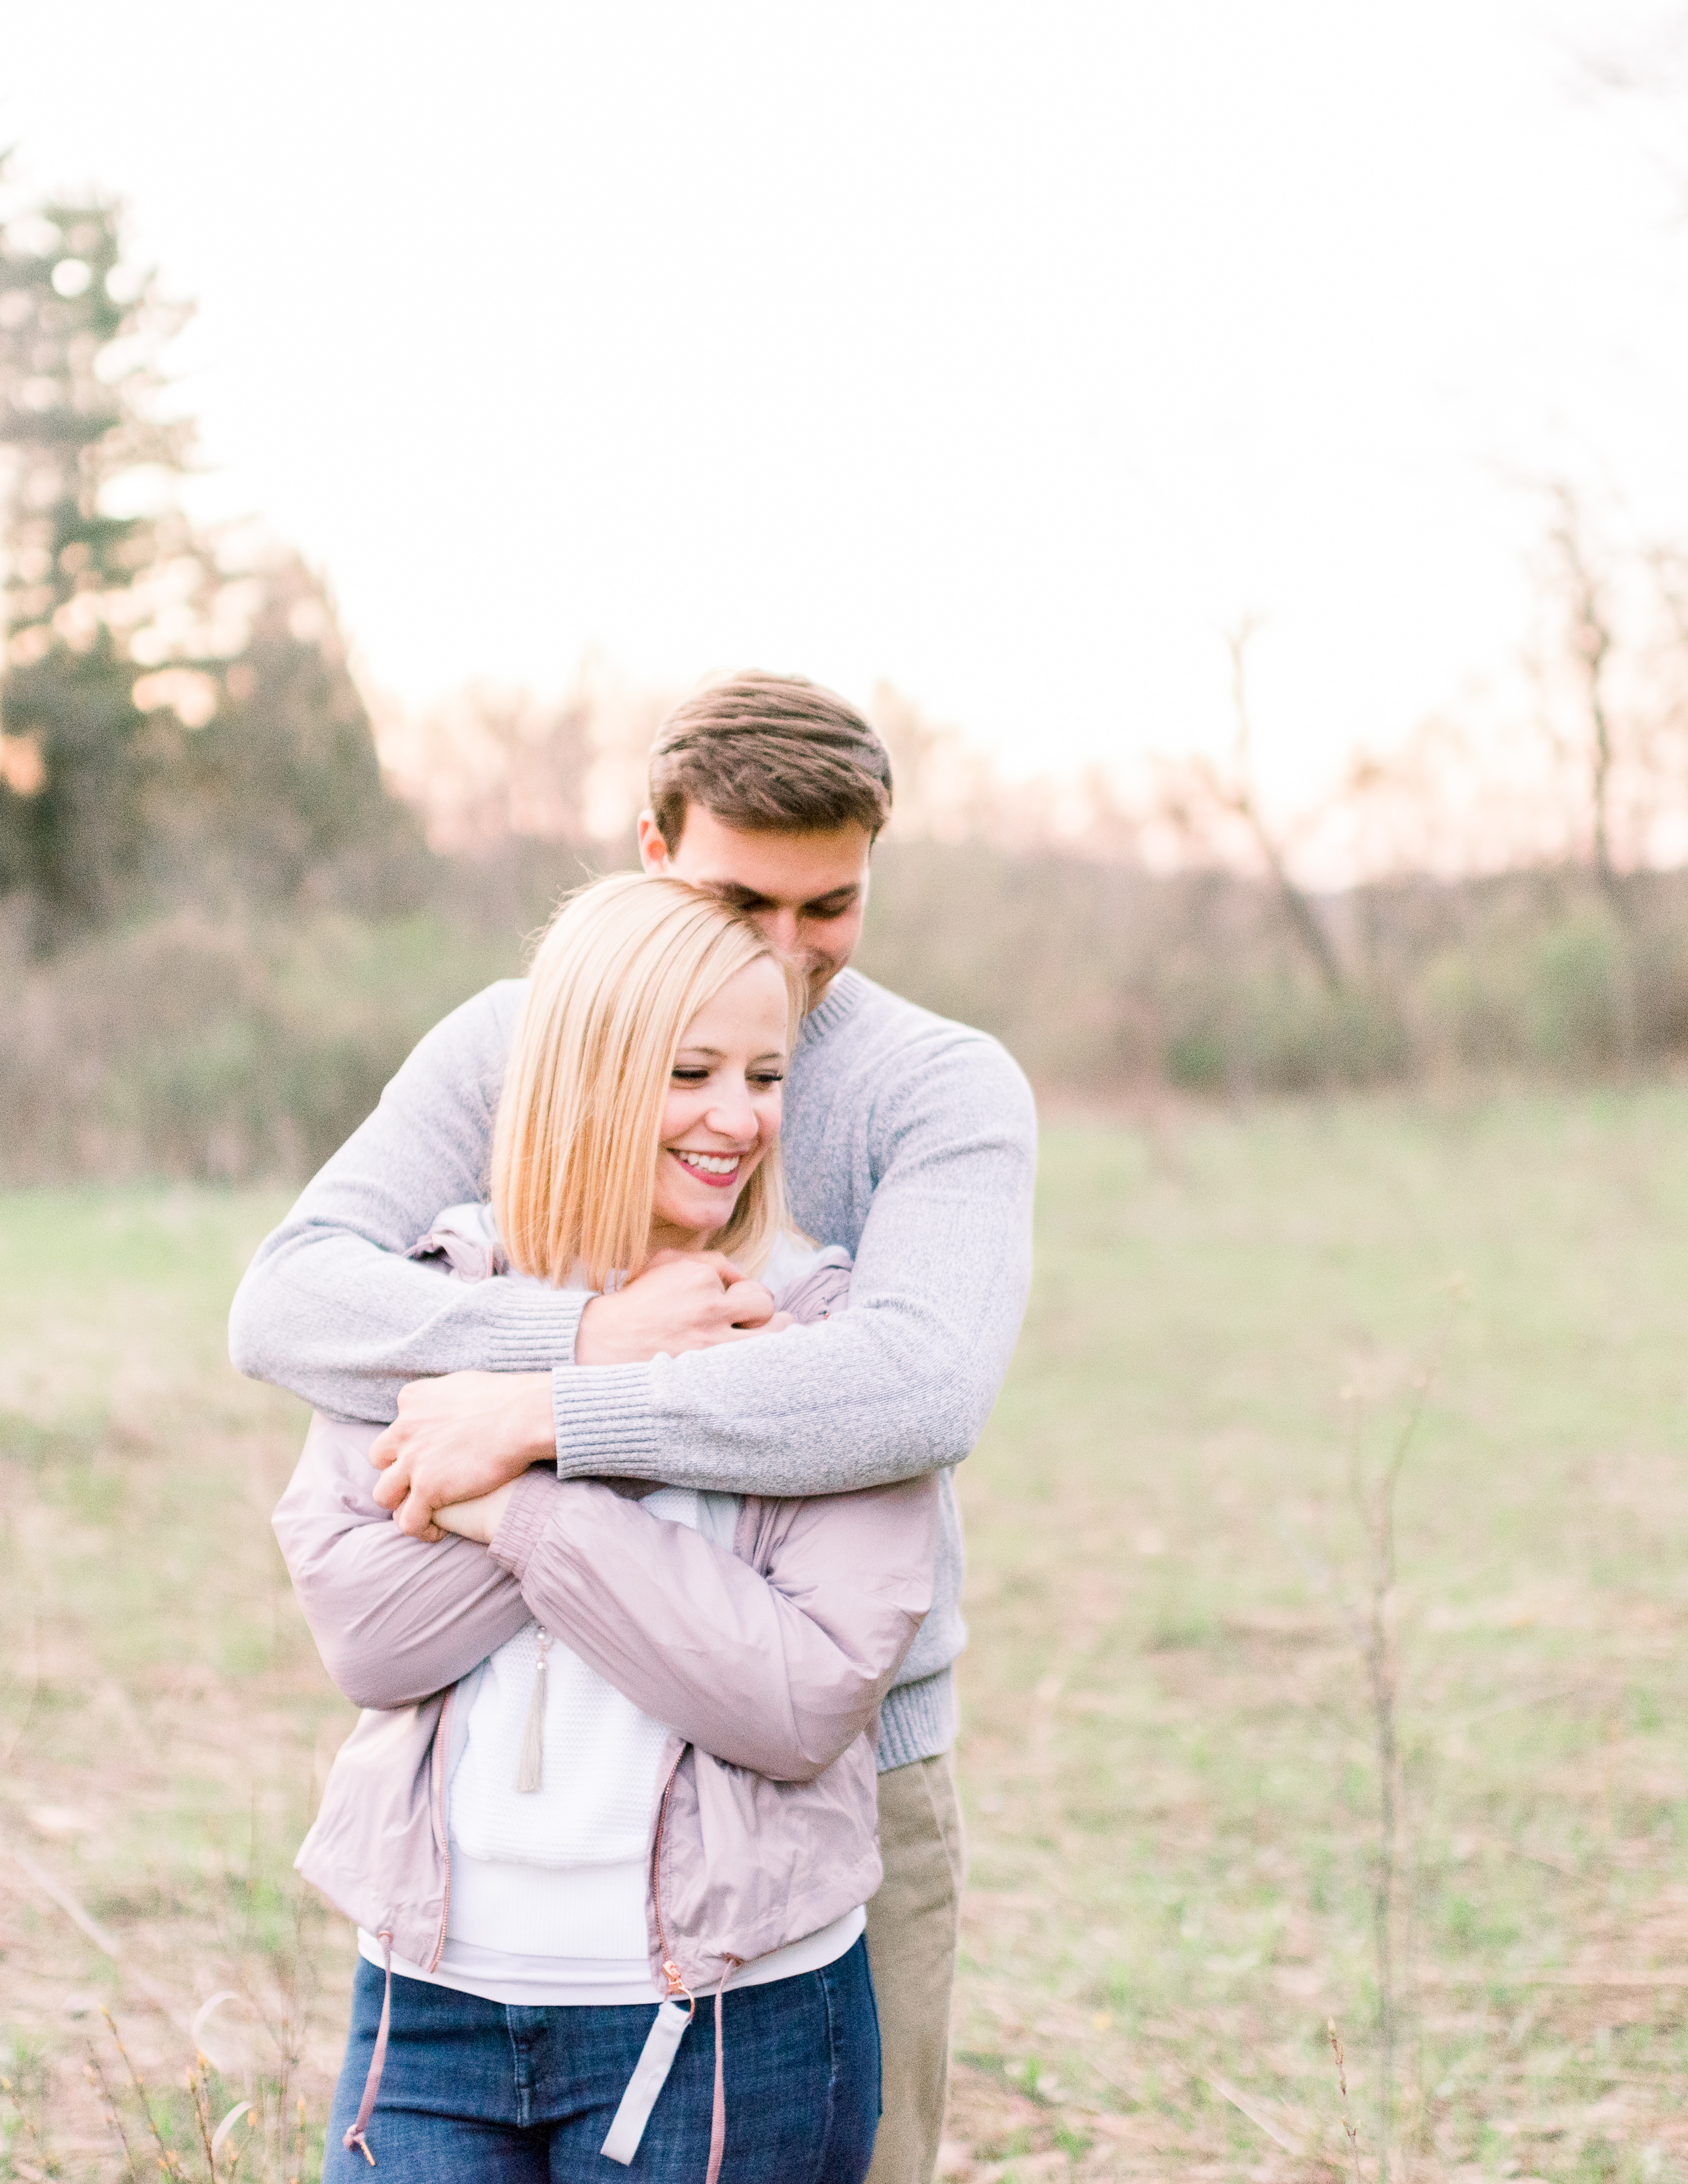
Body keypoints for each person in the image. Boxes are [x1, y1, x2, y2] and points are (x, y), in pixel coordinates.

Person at [232, 673, 1037, 2184]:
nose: (787, 957)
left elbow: (916, 1388)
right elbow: (289, 1304)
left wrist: (541, 1420)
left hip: (831, 1774)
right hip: (498, 1823)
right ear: (651, 850)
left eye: (832, 908)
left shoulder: (940, 1087)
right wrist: (579, 1331)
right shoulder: (515, 1043)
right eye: (746, 899)